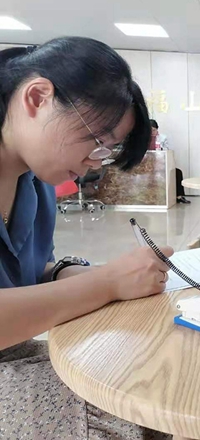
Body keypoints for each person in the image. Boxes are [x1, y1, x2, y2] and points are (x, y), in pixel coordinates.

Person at [0, 37, 173, 439]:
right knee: (124, 412)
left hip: (16, 351)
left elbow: (29, 272)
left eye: (107, 152)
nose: (94, 163)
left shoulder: (35, 181)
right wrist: (107, 282)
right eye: (97, 142)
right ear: (37, 98)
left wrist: (92, 274)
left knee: (149, 374)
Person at [149, 119, 189, 204]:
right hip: (148, 165)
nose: (152, 132)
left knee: (177, 172)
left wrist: (161, 149)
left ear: (157, 129)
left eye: (153, 130)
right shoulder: (144, 138)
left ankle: (179, 196)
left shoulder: (163, 138)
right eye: (150, 130)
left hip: (162, 163)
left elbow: (168, 150)